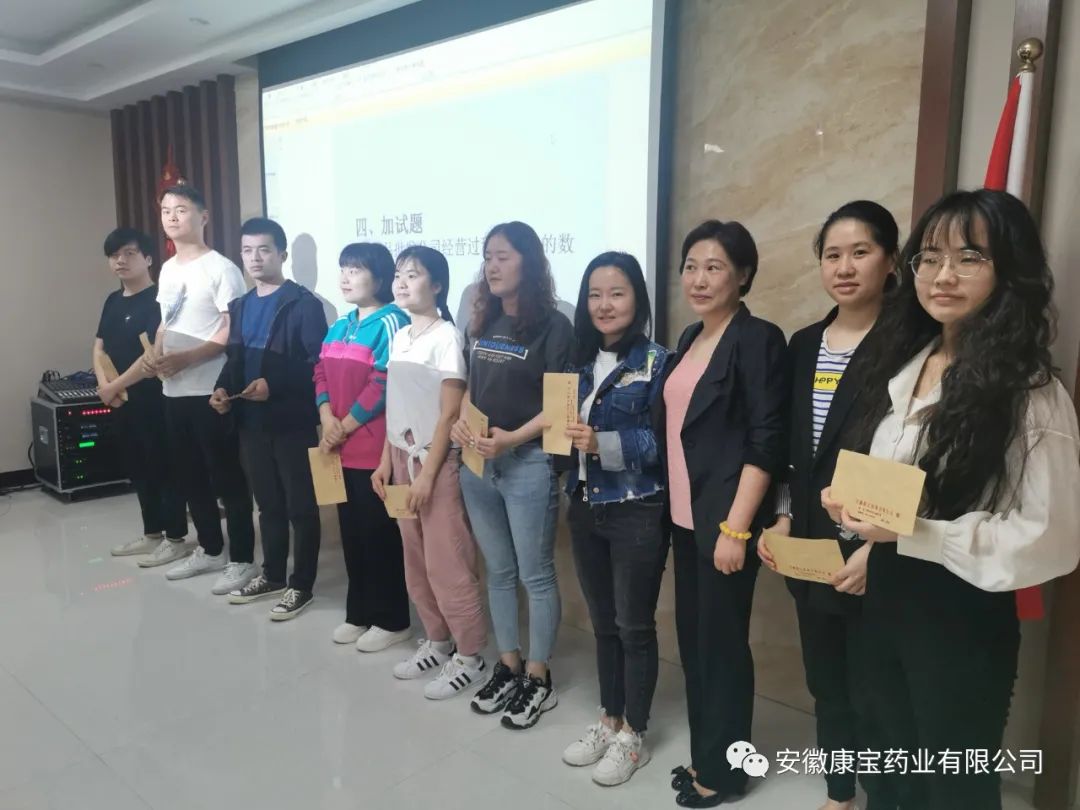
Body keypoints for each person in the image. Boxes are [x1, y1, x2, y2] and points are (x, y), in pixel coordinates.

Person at [822, 189, 1080, 810]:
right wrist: (856, 514)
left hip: (962, 613)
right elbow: (897, 491)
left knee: (955, 781)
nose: (943, 276)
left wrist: (917, 534)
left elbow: (1049, 537)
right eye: (930, 257)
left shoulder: (1029, 392)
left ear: (1008, 270)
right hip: (887, 595)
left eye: (969, 258)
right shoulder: (904, 362)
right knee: (889, 767)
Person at [758, 201, 901, 810]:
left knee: (880, 691)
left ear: (890, 260)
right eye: (832, 255)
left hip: (880, 546)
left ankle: (887, 795)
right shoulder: (804, 343)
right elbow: (794, 450)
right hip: (813, 543)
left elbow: (914, 456)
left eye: (860, 252)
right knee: (827, 682)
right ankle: (840, 793)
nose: (844, 268)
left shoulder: (912, 341)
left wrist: (878, 548)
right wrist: (783, 515)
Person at [656, 220, 788, 807]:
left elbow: (766, 439)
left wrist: (736, 529)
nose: (699, 279)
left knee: (723, 649)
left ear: (743, 275)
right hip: (685, 520)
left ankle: (728, 773)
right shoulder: (691, 336)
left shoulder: (758, 339)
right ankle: (707, 754)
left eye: (714, 267)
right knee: (695, 644)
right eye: (691, 266)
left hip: (725, 523)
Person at [450, 221, 573, 730]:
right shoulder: (482, 317)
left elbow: (561, 405)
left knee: (535, 575)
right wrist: (462, 421)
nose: (492, 266)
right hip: (478, 465)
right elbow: (469, 385)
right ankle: (509, 665)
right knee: (498, 572)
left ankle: (539, 678)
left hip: (528, 465)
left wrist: (512, 438)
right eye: (487, 257)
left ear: (530, 261)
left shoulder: (556, 326)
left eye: (503, 256)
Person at [559, 251, 671, 786]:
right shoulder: (577, 365)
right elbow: (559, 432)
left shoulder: (658, 363)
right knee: (603, 623)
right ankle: (609, 718)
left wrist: (602, 443)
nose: (604, 305)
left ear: (638, 300)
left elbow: (663, 443)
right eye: (595, 295)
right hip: (584, 505)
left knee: (633, 626)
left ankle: (635, 734)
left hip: (637, 509)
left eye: (617, 293)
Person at [372, 245, 488, 699]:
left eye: (414, 275)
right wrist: (387, 460)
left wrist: (426, 476)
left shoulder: (447, 337)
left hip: (434, 463)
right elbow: (395, 404)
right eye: (399, 274)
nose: (402, 282)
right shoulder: (401, 335)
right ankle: (437, 642)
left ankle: (470, 656)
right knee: (415, 560)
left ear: (437, 285)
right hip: (402, 459)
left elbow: (448, 415)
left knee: (448, 563)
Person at [209, 217, 326, 620]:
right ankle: (273, 574)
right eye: (247, 250)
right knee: (268, 505)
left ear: (282, 254)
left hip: (290, 422)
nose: (255, 258)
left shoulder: (304, 304)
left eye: (263, 250)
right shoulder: (241, 305)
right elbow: (234, 360)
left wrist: (274, 385)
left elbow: (317, 366)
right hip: (250, 422)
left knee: (301, 507)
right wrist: (221, 390)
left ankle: (301, 585)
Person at [141, 185, 256, 593]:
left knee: (227, 478)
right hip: (173, 390)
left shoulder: (221, 268)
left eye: (181, 209)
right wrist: (156, 354)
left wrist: (187, 358)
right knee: (189, 475)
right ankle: (210, 549)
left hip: (211, 391)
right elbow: (165, 321)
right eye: (166, 210)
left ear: (203, 217)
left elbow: (231, 329)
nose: (172, 217)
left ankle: (242, 559)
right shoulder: (169, 268)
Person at [314, 242, 412, 650]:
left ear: (380, 277)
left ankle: (392, 619)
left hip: (374, 450)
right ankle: (359, 613)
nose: (345, 277)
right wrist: (326, 418)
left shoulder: (393, 320)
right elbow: (320, 372)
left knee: (380, 537)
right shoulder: (341, 324)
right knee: (352, 536)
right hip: (337, 447)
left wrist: (345, 425)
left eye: (355, 269)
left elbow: (384, 382)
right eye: (343, 269)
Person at [94, 228, 190, 562]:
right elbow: (99, 346)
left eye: (129, 253)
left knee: (164, 466)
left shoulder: (159, 299)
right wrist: (104, 386)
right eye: (114, 255)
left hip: (154, 399)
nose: (120, 260)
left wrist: (114, 386)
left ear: (148, 259)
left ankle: (175, 537)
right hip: (121, 401)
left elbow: (151, 355)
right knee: (138, 467)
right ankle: (152, 534)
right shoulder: (112, 300)